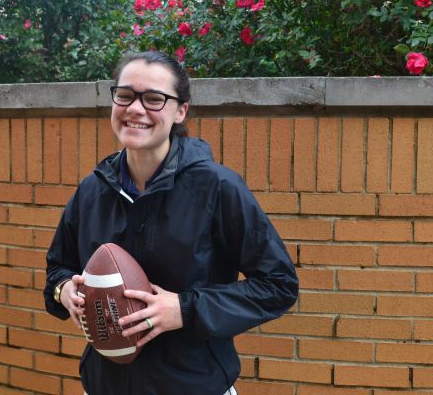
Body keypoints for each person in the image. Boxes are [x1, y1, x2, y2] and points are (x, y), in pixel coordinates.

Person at [43, 51, 299, 395]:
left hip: (194, 384)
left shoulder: (218, 188)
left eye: (154, 99)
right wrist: (66, 292)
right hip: (104, 385)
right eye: (125, 95)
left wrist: (184, 309)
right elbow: (58, 267)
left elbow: (278, 286)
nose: (135, 108)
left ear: (181, 111)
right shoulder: (92, 189)